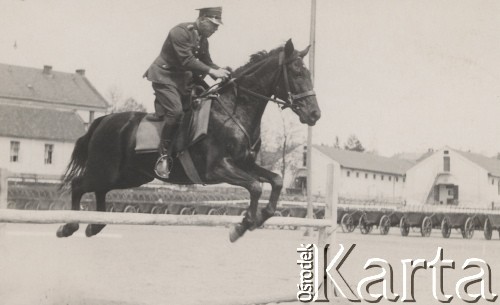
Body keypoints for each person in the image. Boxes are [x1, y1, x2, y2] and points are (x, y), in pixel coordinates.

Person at [144, 7, 230, 178]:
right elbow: (187, 60)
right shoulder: (180, 32)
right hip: (164, 78)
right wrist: (213, 72)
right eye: (214, 25)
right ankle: (163, 156)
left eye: (217, 26)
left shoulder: (203, 39)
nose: (216, 29)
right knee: (176, 113)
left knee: (202, 108)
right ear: (203, 19)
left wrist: (221, 70)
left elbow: (206, 62)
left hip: (183, 80)